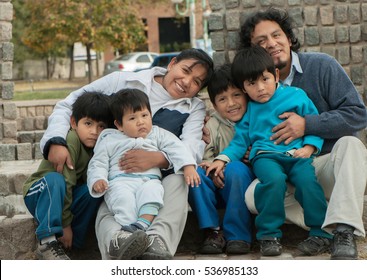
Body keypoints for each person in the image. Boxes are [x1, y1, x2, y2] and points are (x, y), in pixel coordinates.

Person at [39, 48, 214, 260]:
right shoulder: (123, 81)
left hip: (156, 178)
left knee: (181, 179)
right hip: (116, 172)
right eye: (185, 70)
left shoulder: (193, 107)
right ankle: (116, 241)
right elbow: (69, 104)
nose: (186, 82)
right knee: (113, 195)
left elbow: (190, 148)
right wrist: (56, 141)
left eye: (196, 82)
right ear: (172, 63)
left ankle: (156, 244)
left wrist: (159, 159)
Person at [238, 7, 367, 259]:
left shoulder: (322, 66)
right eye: (261, 41)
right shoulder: (252, 82)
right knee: (252, 198)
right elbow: (240, 120)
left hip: (321, 165)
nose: (272, 44)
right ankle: (326, 221)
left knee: (352, 144)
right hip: (278, 172)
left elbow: (358, 114)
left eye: (277, 35)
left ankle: (344, 230)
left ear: (288, 37)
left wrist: (307, 124)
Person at [207, 45, 332, 257]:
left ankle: (321, 232)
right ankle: (268, 235)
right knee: (273, 181)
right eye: (252, 83)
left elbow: (313, 123)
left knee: (308, 182)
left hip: (296, 154)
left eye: (265, 79)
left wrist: (309, 147)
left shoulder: (296, 96)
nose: (260, 88)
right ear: (244, 88)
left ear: (275, 75)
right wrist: (222, 159)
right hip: (265, 157)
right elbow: (240, 141)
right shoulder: (251, 109)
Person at [87, 88, 200, 260]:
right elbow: (98, 163)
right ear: (119, 125)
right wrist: (98, 179)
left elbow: (176, 147)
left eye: (144, 115)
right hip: (120, 181)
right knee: (123, 200)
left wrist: (188, 166)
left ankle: (142, 226)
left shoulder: (157, 133)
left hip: (150, 180)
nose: (140, 122)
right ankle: (127, 236)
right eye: (132, 118)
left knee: (153, 194)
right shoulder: (110, 139)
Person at [23, 92, 113, 260]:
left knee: (93, 190)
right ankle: (47, 242)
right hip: (41, 192)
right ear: (73, 122)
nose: (94, 131)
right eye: (88, 123)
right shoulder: (72, 139)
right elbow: (67, 180)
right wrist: (65, 224)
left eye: (101, 126)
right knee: (56, 180)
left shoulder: (100, 147)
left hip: (66, 197)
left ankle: (72, 246)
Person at [188, 64, 255, 255]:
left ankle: (238, 235)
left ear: (246, 94)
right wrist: (210, 165)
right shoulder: (213, 124)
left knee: (235, 168)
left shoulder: (255, 119)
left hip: (243, 183)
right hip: (217, 187)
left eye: (236, 95)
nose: (231, 103)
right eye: (222, 99)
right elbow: (205, 155)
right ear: (215, 104)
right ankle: (213, 231)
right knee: (196, 174)